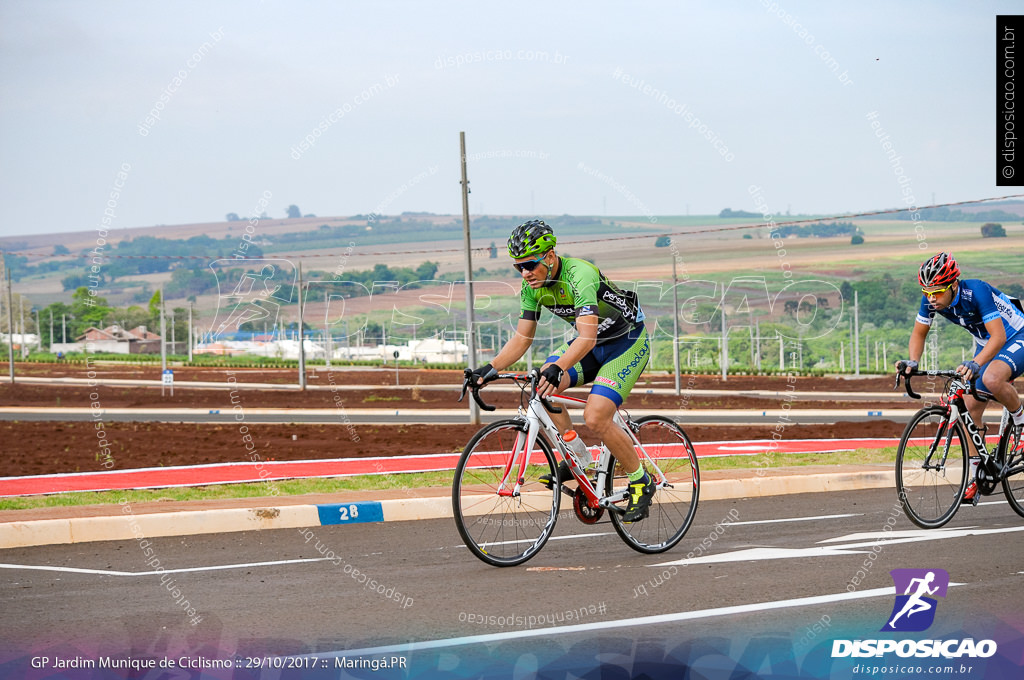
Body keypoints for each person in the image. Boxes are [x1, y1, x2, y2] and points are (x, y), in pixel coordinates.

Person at [468, 219, 654, 522]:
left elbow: (587, 337)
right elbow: (522, 338)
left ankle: (640, 480)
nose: (525, 273)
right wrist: (489, 369)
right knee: (541, 388)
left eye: (530, 265)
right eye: (519, 268)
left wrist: (558, 365)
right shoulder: (532, 288)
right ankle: (580, 456)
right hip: (592, 344)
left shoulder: (580, 275)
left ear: (550, 257)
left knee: (595, 416)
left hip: (626, 342)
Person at [897, 252, 1024, 502]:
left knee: (992, 378)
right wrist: (913, 361)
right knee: (968, 408)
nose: (931, 298)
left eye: (937, 292)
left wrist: (976, 363)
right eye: (926, 292)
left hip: (1016, 336)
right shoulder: (932, 299)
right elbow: (919, 333)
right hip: (986, 342)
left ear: (953, 284)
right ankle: (979, 473)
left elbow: (998, 337)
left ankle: (1021, 420)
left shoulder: (976, 291)